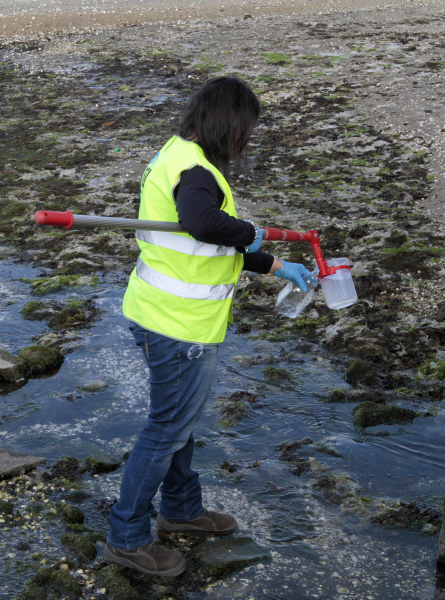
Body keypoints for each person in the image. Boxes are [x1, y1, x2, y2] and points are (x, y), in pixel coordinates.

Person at [104, 76, 314, 577]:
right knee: (166, 429)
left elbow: (206, 246)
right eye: (246, 129)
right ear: (229, 123)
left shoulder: (176, 154)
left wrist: (271, 264)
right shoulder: (195, 172)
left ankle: (181, 509)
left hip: (161, 313)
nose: (246, 141)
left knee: (178, 422)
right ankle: (127, 537)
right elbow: (203, 224)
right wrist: (252, 232)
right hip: (178, 325)